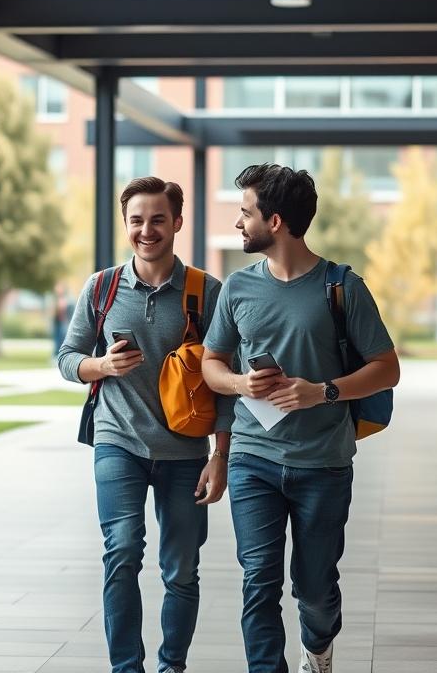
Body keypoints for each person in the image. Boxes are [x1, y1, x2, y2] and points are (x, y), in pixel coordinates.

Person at [201, 164, 400, 673]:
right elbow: (211, 363)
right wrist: (242, 383)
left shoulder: (342, 287)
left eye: (246, 213)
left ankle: (319, 647)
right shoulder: (237, 290)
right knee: (259, 581)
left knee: (314, 586)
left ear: (278, 220)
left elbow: (387, 368)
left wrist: (323, 392)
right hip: (253, 458)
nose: (238, 223)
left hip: (324, 463)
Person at [56, 177, 234, 673]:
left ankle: (171, 665)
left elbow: (222, 382)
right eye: (137, 220)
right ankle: (126, 668)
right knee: (122, 551)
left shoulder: (206, 291)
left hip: (185, 452)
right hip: (118, 441)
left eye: (158, 219)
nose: (147, 230)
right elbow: (68, 359)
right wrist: (101, 367)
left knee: (181, 569)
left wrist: (220, 458)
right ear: (126, 225)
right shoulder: (103, 286)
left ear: (177, 222)